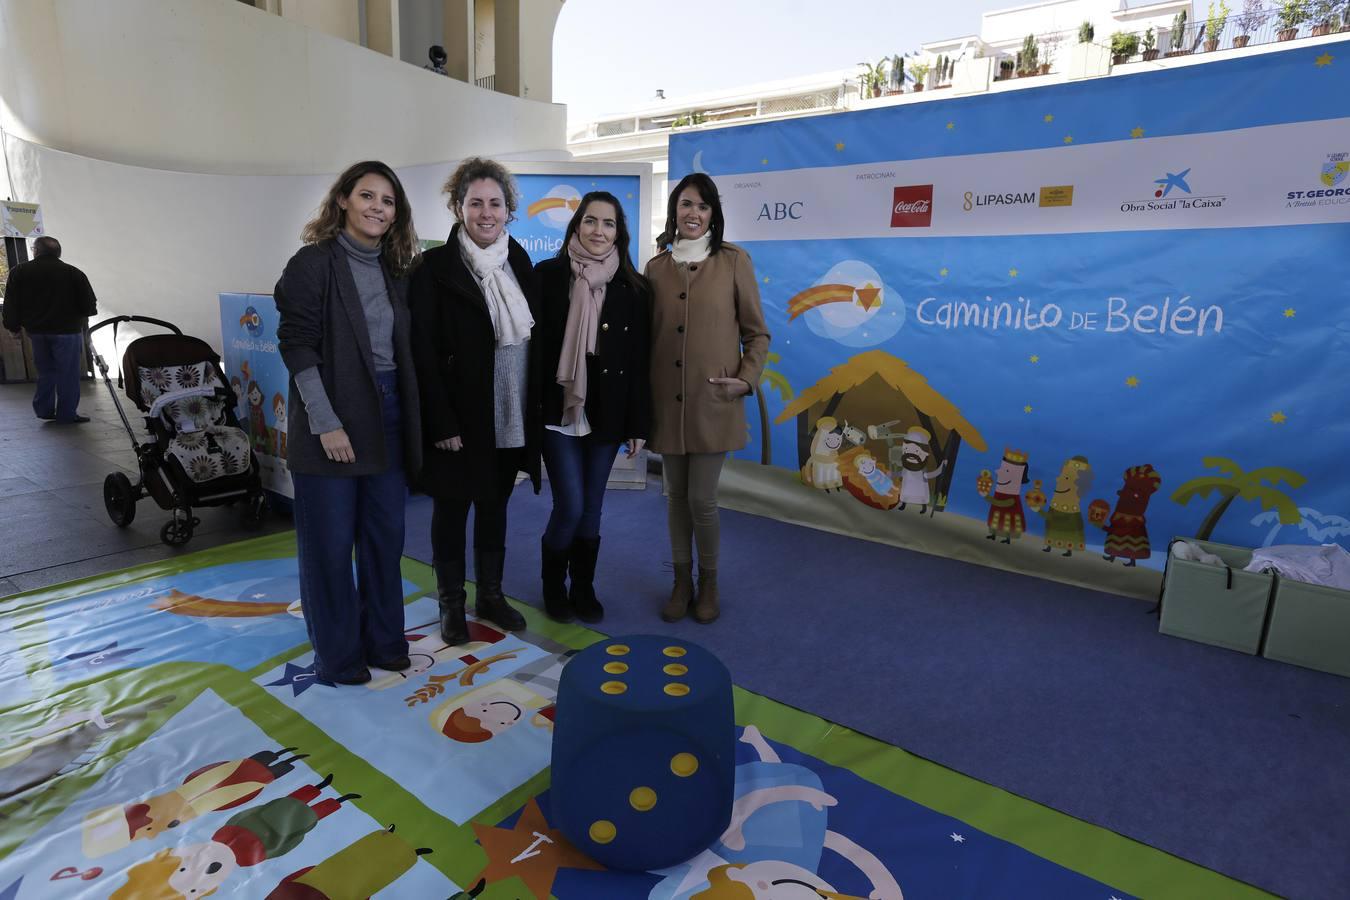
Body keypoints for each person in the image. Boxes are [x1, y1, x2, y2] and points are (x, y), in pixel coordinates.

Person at [275, 160, 423, 686]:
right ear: (342, 200)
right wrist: (325, 423)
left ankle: (385, 642)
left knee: (384, 540)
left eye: (388, 201)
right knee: (331, 548)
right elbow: (297, 347)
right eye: (367, 196)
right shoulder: (312, 264)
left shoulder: (395, 268)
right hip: (332, 417)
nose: (378, 208)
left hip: (387, 416)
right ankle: (338, 656)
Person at [410, 157, 543, 645]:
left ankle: (490, 594)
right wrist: (441, 420)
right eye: (476, 203)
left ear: (509, 209)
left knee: (494, 505)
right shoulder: (432, 269)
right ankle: (450, 603)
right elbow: (421, 351)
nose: (487, 213)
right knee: (451, 509)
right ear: (457, 207)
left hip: (510, 410)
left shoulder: (519, 261)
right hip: (459, 417)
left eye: (496, 203)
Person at [645, 173, 770, 625]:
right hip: (666, 403)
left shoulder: (734, 261)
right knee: (675, 496)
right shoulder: (655, 267)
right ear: (673, 211)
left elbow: (757, 333)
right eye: (684, 205)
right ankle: (681, 581)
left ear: (713, 213)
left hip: (713, 401)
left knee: (702, 499)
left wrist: (746, 378)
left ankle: (709, 581)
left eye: (700, 206)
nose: (692, 213)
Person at [536, 192, 652, 623]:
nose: (598, 231)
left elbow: (640, 362)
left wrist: (640, 423)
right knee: (569, 504)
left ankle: (583, 588)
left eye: (608, 223)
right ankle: (553, 586)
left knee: (592, 508)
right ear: (576, 227)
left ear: (619, 231)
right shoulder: (547, 275)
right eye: (590, 221)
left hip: (607, 412)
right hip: (558, 409)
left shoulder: (635, 288)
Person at [2, 236, 98, 423]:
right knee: (68, 373)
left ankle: (44, 410)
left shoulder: (19, 271)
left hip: (37, 332)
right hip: (67, 332)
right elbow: (89, 306)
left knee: (46, 372)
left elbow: (11, 304)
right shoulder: (73, 273)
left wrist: (12, 327)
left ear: (36, 251)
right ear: (58, 252)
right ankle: (67, 413)